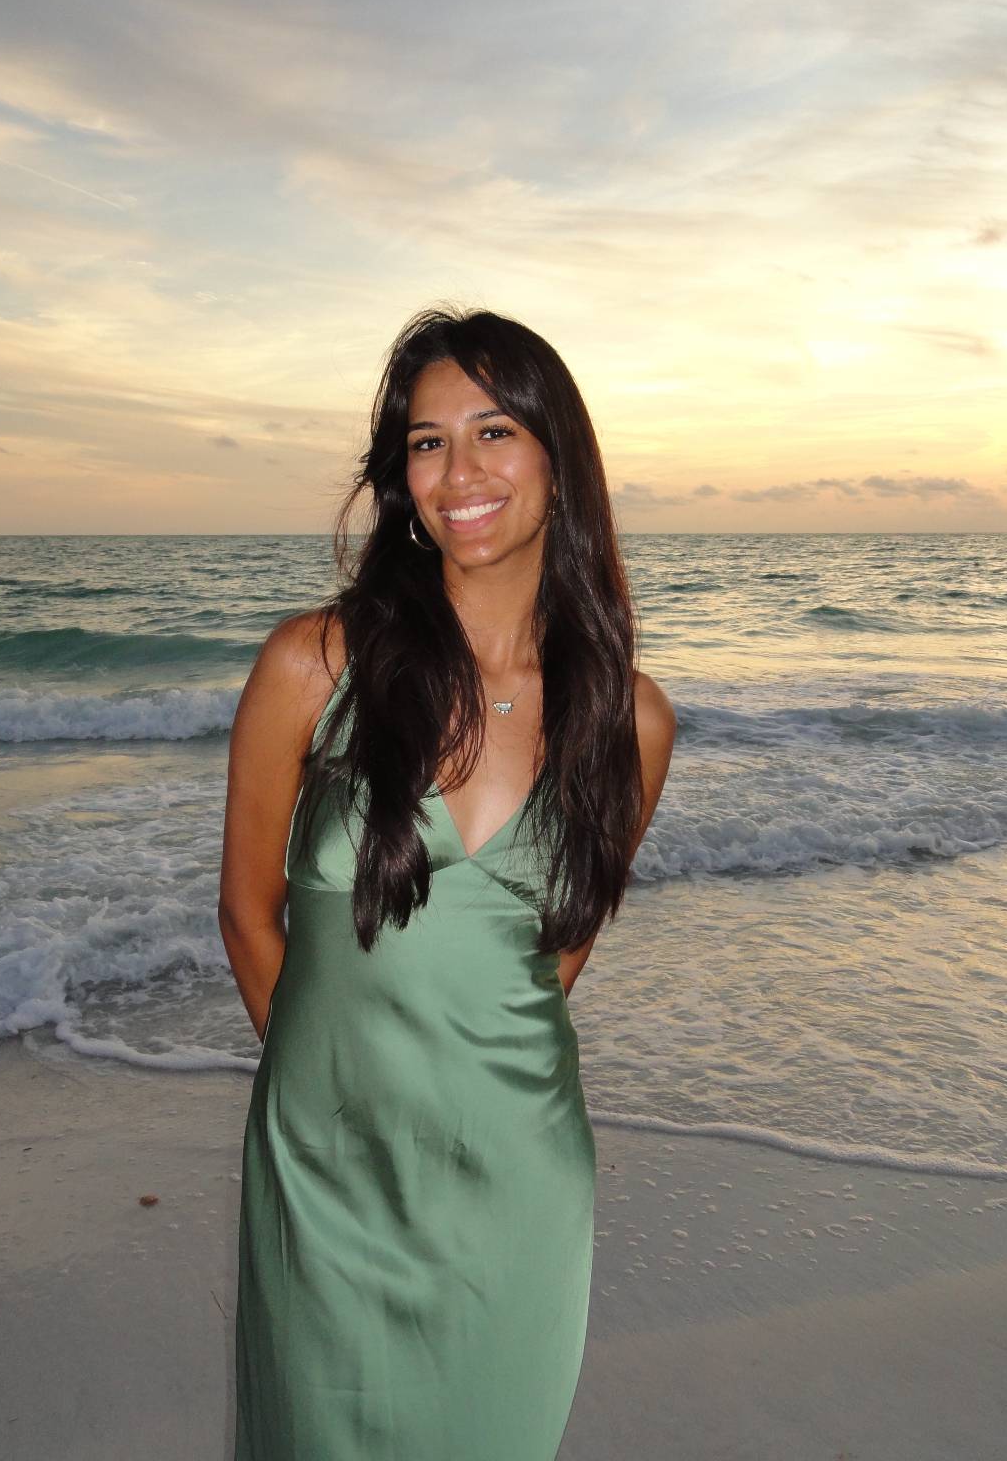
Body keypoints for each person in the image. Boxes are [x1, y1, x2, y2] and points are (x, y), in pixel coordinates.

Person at [218, 304, 676, 1459]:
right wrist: (319, 1097)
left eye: (493, 432)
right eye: (427, 442)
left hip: (514, 1177)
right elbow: (245, 909)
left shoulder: (631, 724)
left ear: (559, 464)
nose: (458, 471)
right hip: (324, 1171)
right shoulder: (312, 664)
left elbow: (548, 966)